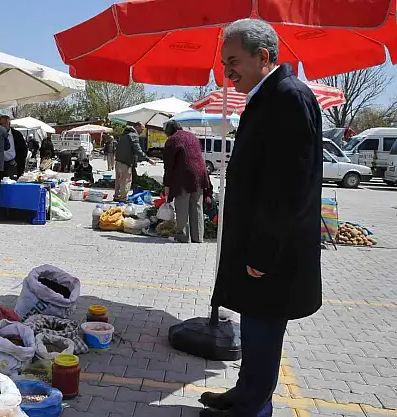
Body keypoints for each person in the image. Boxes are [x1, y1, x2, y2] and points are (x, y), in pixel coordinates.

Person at [200, 19, 323, 417]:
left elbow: (288, 187)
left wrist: (264, 252)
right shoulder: (269, 96)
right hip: (260, 244)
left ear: (263, 56)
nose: (227, 71)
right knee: (253, 328)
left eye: (233, 61)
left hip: (273, 251)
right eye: (224, 63)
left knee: (264, 330)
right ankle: (245, 392)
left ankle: (252, 408)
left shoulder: (288, 97)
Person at [162, 120, 212, 243]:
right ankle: (198, 237)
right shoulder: (192, 137)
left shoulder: (173, 140)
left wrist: (167, 184)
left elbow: (169, 165)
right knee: (197, 205)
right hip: (200, 175)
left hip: (183, 177)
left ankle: (183, 236)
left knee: (182, 206)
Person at [115, 121, 151, 202]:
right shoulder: (133, 135)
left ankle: (116, 196)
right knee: (126, 180)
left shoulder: (124, 134)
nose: (142, 131)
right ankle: (123, 198)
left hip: (118, 160)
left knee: (118, 179)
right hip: (126, 161)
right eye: (142, 129)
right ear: (137, 126)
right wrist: (148, 159)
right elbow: (138, 149)